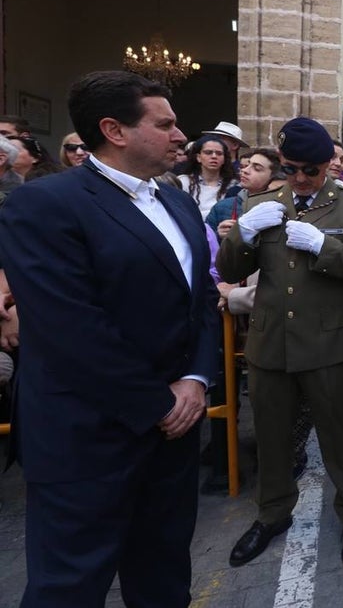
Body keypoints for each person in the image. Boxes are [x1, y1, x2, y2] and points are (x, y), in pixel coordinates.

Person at [0, 70, 217, 606]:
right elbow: (70, 329)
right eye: (164, 124)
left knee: (164, 575)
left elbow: (201, 303)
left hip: (174, 431)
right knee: (69, 586)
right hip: (87, 436)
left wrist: (195, 378)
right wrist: (157, 403)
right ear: (114, 130)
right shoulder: (45, 205)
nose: (179, 135)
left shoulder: (178, 203)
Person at [218, 117, 343, 570]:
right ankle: (272, 515)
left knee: (340, 436)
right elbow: (229, 265)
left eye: (309, 169)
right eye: (290, 168)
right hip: (271, 341)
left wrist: (321, 247)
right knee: (271, 437)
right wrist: (245, 231)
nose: (299, 178)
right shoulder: (261, 200)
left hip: (330, 343)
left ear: (328, 165)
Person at [178, 135, 236, 219]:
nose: (214, 156)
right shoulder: (183, 182)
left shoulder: (233, 185)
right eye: (208, 152)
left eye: (219, 153)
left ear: (224, 159)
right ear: (198, 157)